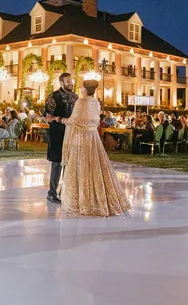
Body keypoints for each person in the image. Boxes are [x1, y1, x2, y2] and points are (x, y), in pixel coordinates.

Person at [50, 80, 131, 216]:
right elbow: (94, 120)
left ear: (85, 89)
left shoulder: (81, 102)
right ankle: (99, 197)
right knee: (96, 167)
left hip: (81, 139)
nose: (80, 88)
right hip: (93, 138)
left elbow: (73, 121)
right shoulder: (95, 102)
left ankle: (82, 201)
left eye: (82, 86)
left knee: (80, 168)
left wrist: (56, 118)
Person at [45, 73, 78, 204]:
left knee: (69, 164)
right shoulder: (53, 97)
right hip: (57, 135)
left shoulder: (75, 97)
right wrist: (58, 120)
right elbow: (48, 116)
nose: (71, 83)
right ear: (61, 83)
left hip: (72, 134)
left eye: (71, 81)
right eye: (68, 81)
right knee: (57, 163)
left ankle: (64, 192)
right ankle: (51, 193)